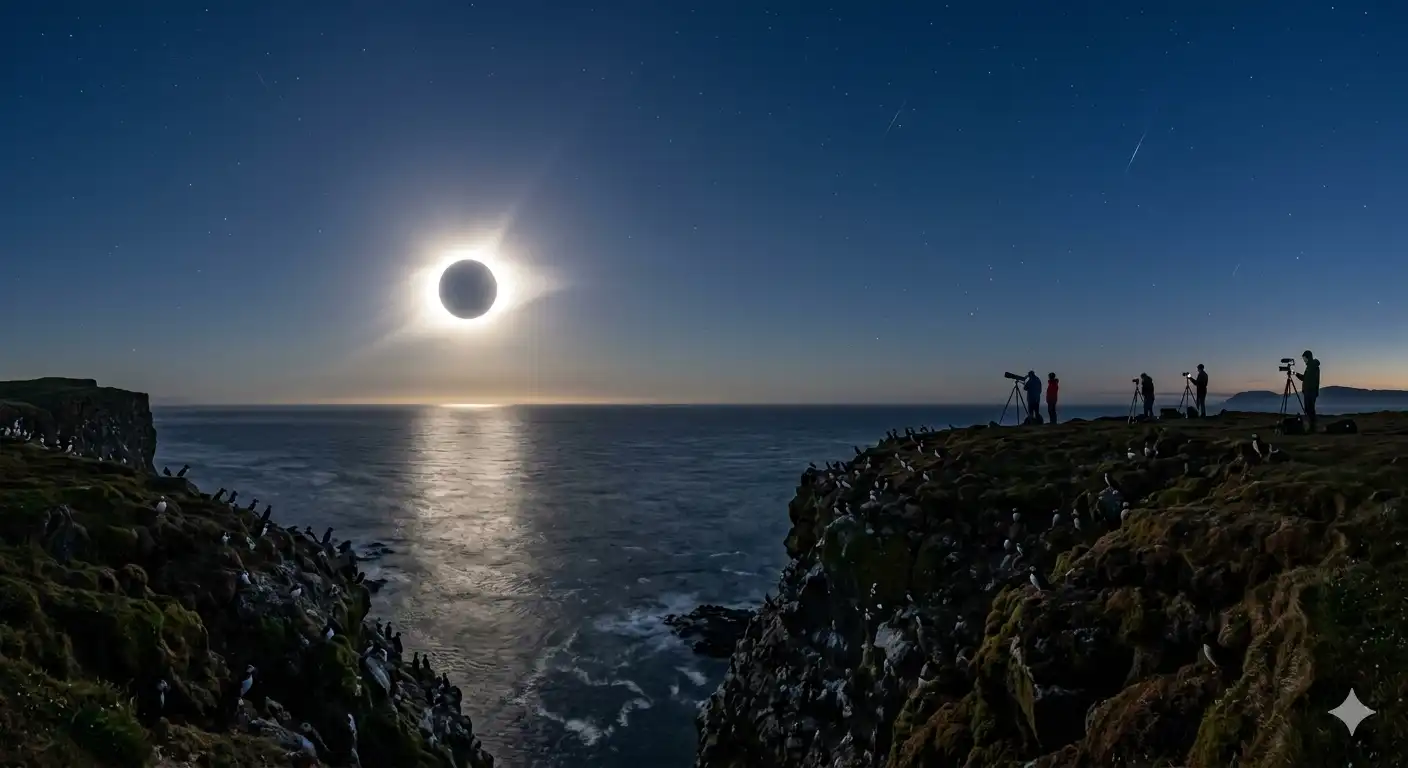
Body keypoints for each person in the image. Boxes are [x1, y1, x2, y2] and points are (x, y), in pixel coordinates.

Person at [1295, 350, 1321, 432]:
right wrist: (1296, 374)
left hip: (1310, 391)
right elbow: (1305, 378)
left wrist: (1311, 390)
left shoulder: (1313, 367)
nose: (1304, 360)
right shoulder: (1310, 367)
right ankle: (1311, 426)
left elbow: (1312, 380)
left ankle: (1312, 427)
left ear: (1308, 357)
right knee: (1308, 409)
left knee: (1310, 409)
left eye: (1304, 358)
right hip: (1309, 391)